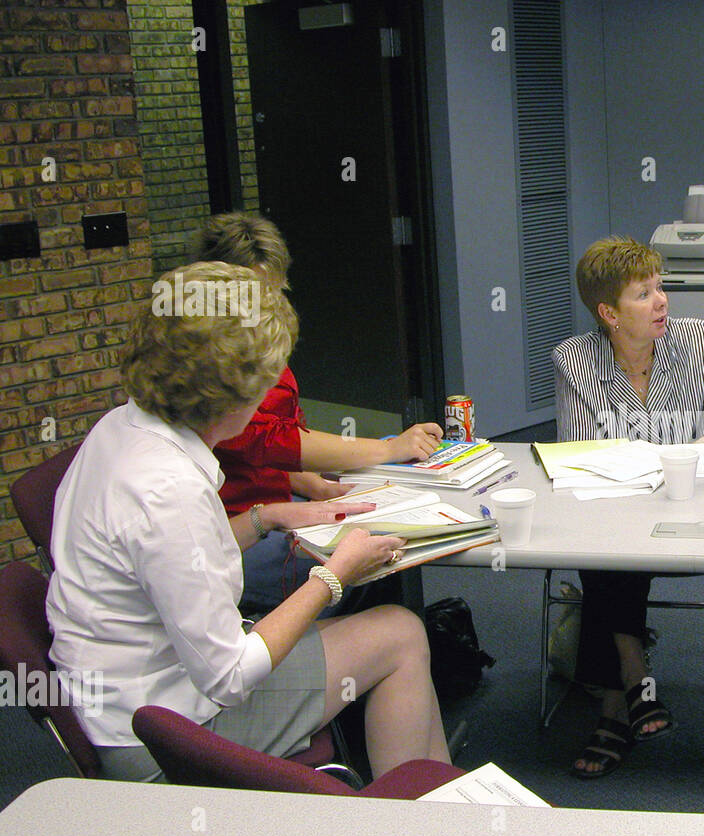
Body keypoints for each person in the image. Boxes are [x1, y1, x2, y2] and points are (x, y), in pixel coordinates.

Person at [46, 261, 451, 782]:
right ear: (235, 396)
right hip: (167, 736)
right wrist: (334, 575)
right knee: (401, 634)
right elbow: (229, 677)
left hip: (123, 697)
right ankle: (421, 824)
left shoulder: (121, 426)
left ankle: (432, 803)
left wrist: (265, 517)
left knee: (389, 631)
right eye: (265, 384)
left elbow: (173, 561)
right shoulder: (170, 491)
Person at [552, 236, 704, 778]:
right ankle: (630, 690)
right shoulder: (575, 361)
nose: (662, 300)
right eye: (644, 293)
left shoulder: (698, 341)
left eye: (660, 287)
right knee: (609, 552)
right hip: (614, 514)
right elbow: (579, 456)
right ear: (608, 313)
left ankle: (618, 702)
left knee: (606, 562)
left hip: (693, 509)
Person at [190, 211, 444, 615]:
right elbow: (271, 441)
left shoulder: (251, 346)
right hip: (239, 530)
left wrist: (316, 487)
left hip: (266, 512)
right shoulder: (214, 369)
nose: (264, 309)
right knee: (376, 566)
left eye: (272, 294)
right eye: (253, 297)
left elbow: (278, 442)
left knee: (381, 534)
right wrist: (389, 448)